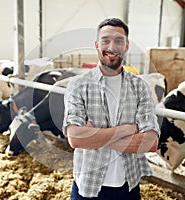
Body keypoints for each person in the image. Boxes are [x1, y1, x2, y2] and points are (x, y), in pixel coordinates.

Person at [63, 17, 160, 200]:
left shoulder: (140, 87)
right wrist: (127, 130)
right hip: (87, 185)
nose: (112, 46)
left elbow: (151, 143)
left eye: (118, 41)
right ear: (96, 45)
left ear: (126, 45)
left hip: (127, 186)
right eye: (105, 40)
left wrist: (93, 136)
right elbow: (75, 138)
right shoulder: (78, 85)